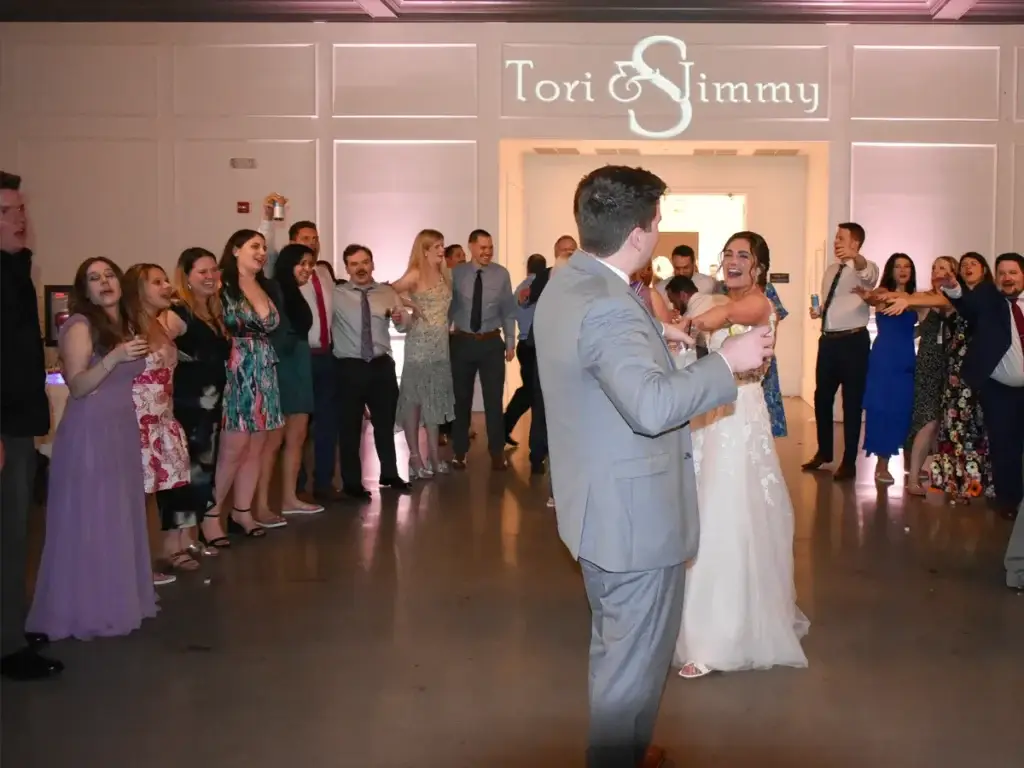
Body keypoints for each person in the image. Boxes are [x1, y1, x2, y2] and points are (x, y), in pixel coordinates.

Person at [533, 165, 774, 768]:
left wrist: (653, 341)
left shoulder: (569, 283)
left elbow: (603, 370)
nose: (660, 230)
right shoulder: (611, 306)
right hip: (633, 520)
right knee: (631, 657)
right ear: (640, 234)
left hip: (596, 503)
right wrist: (729, 364)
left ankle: (627, 746)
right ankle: (615, 753)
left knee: (619, 647)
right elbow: (651, 408)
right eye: (658, 221)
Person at [672, 231, 809, 679]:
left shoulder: (759, 304)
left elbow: (728, 315)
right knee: (700, 515)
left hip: (740, 416)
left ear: (759, 267)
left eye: (742, 256)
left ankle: (716, 640)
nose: (732, 261)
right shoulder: (712, 300)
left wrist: (697, 318)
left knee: (728, 517)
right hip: (710, 415)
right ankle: (694, 623)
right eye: (728, 254)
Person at [0, 170, 63, 679]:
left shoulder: (14, 270)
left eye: (20, 210)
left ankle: (11, 630)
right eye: (5, 212)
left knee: (15, 531)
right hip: (3, 425)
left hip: (17, 421)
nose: (19, 220)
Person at [803, 222, 880, 481]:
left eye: (841, 238)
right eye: (835, 238)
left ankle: (849, 462)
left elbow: (867, 273)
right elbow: (832, 301)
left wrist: (856, 258)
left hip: (853, 343)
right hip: (828, 342)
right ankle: (824, 452)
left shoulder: (864, 269)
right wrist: (820, 311)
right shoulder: (831, 270)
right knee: (822, 398)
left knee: (852, 403)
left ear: (855, 243)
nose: (836, 242)